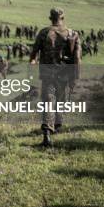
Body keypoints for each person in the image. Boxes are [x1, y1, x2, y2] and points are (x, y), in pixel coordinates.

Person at [30, 8, 81, 147]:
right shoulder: (73, 34)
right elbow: (77, 58)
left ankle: (47, 134)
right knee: (60, 99)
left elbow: (33, 54)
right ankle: (57, 126)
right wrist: (75, 78)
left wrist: (32, 65)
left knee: (48, 101)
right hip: (65, 74)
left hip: (48, 74)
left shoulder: (44, 33)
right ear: (62, 17)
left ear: (50, 18)